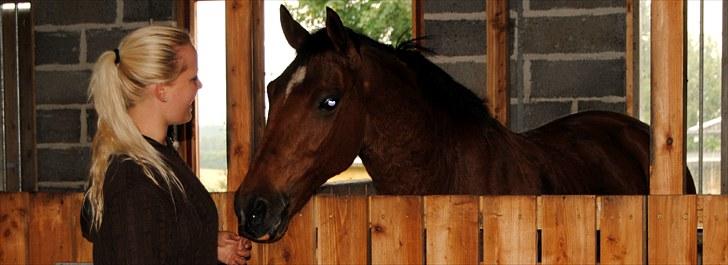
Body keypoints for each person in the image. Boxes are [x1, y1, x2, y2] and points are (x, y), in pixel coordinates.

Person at [80, 25, 251, 265]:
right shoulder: (132, 176)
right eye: (192, 78)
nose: (198, 86)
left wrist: (203, 242)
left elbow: (162, 238)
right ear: (162, 91)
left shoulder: (157, 157)